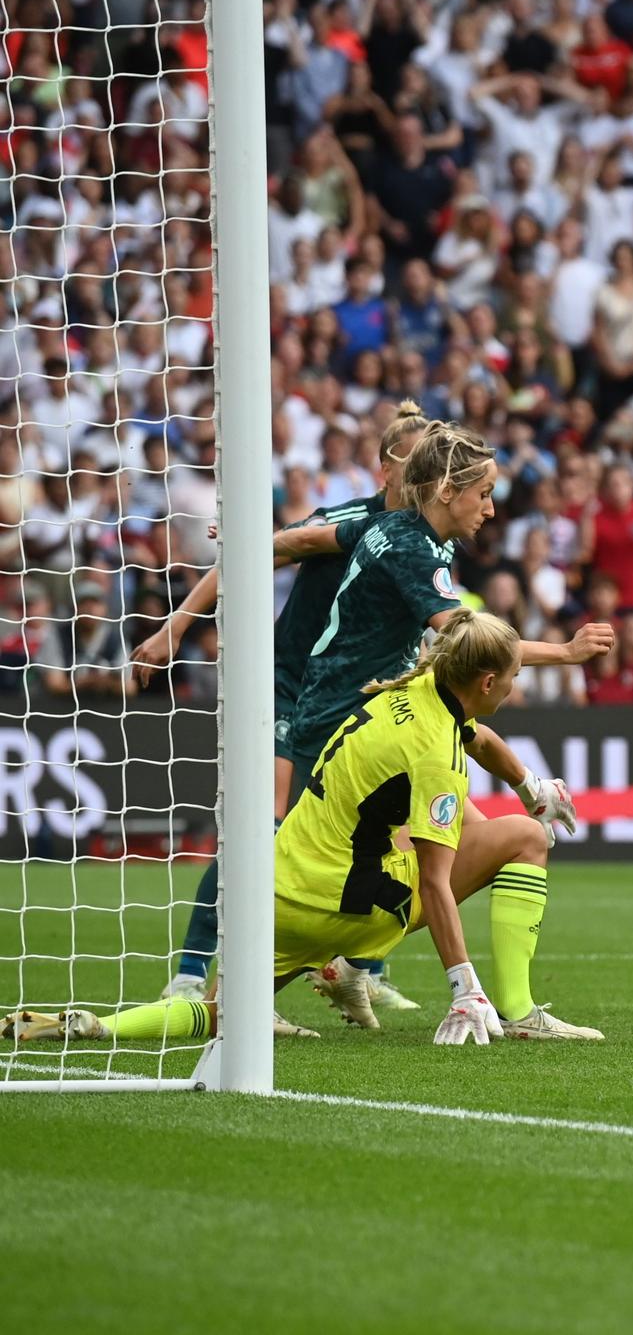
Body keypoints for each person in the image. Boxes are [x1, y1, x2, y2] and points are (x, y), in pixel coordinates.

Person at [5, 611, 608, 1047]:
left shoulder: (418, 687)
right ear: (486, 683)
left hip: (278, 891)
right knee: (524, 839)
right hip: (350, 908)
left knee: (224, 1015)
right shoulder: (436, 756)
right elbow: (435, 884)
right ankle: (515, 1008)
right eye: (512, 677)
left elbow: (480, 740)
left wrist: (531, 787)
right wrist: (463, 986)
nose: (514, 685)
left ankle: (90, 1025)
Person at [271, 427, 614, 1034]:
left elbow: (307, 539)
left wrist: (255, 543)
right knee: (461, 856)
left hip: (358, 709)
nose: (490, 507)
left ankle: (345, 967)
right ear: (449, 489)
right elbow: (473, 644)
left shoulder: (395, 526)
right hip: (352, 723)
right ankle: (466, 995)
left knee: (487, 846)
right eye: (483, 493)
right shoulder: (416, 550)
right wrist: (564, 652)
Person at [134, 405, 439, 1027]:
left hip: (364, 703)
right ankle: (194, 973)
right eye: (416, 463)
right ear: (386, 468)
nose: (430, 476)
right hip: (293, 690)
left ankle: (359, 972)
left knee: (387, 828)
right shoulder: (349, 520)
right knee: (267, 825)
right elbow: (255, 555)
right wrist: (175, 627)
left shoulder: (430, 540)